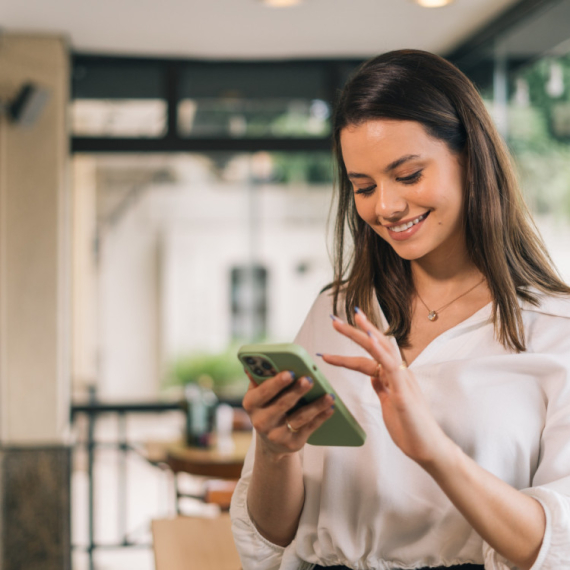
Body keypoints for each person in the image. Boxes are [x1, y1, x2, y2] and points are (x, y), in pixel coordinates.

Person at [230, 49, 570, 570]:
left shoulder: (555, 328)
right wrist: (276, 450)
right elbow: (273, 538)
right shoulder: (336, 312)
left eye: (407, 175)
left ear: (471, 159)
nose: (384, 207)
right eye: (363, 187)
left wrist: (434, 449)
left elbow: (555, 549)